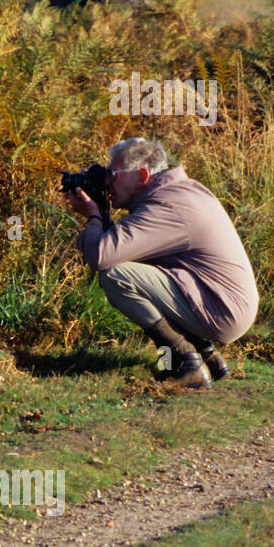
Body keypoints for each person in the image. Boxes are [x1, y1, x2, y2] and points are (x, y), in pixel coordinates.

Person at [65, 138, 259, 390]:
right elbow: (127, 250)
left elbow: (102, 256)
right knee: (133, 267)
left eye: (113, 174)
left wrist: (93, 216)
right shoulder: (180, 191)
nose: (106, 181)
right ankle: (209, 357)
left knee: (115, 275)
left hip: (222, 311)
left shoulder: (167, 206)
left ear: (142, 175)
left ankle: (187, 361)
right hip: (221, 301)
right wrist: (102, 214)